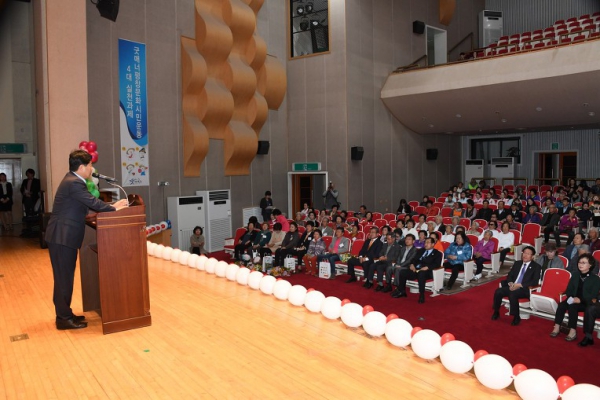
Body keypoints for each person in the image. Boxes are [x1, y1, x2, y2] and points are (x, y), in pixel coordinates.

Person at [45, 150, 129, 330]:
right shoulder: (74, 183)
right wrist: (114, 208)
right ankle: (63, 319)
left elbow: (85, 206)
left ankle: (65, 314)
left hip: (62, 236)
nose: (92, 168)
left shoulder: (72, 180)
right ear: (82, 167)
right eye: (90, 165)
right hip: (62, 236)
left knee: (64, 277)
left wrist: (110, 207)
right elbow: (92, 202)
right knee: (63, 279)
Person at [550, 254, 600, 342]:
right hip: (573, 299)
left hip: (585, 302)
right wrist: (571, 297)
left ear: (590, 265)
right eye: (580, 262)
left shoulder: (595, 279)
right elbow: (569, 289)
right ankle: (557, 326)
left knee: (573, 307)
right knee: (561, 305)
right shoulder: (575, 275)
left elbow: (593, 295)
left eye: (584, 263)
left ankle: (572, 330)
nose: (580, 264)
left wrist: (580, 300)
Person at [491, 246, 541, 326]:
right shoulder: (517, 263)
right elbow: (510, 274)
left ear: (532, 256)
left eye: (528, 254)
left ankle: (516, 316)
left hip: (524, 289)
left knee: (513, 294)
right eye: (524, 253)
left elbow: (534, 281)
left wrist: (520, 285)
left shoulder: (536, 267)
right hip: (513, 285)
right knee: (498, 291)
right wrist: (510, 283)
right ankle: (496, 311)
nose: (525, 255)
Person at [394, 237, 442, 303]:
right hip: (416, 270)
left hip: (427, 272)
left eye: (428, 242)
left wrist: (427, 267)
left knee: (421, 273)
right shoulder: (421, 251)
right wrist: (412, 264)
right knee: (402, 272)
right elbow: (414, 259)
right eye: (425, 242)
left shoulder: (437, 253)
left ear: (433, 244)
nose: (426, 244)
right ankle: (402, 291)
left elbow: (437, 264)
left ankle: (422, 295)